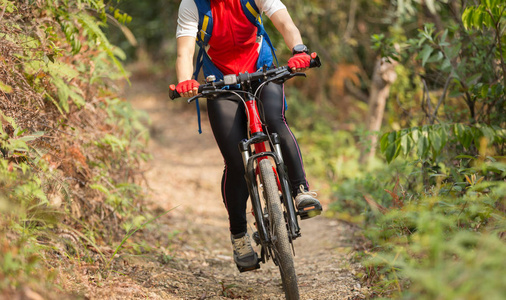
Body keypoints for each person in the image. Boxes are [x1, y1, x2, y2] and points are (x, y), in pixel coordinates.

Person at [175, 0, 322, 271]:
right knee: (234, 160)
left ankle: (301, 190)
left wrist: (298, 50)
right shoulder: (192, 5)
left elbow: (284, 23)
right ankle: (240, 235)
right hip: (220, 81)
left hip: (261, 69)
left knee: (275, 122)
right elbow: (184, 52)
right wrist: (186, 81)